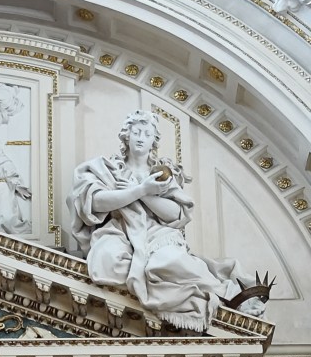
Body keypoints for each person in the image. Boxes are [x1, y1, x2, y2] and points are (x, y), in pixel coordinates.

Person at [69, 110, 262, 331]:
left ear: (154, 141)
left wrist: (144, 192)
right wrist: (139, 190)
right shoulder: (107, 169)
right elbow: (95, 203)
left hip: (157, 235)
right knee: (107, 258)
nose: (141, 138)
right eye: (136, 132)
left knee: (171, 260)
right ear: (126, 136)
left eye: (147, 134)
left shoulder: (162, 174)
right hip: (119, 233)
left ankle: (232, 296)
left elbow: (175, 214)